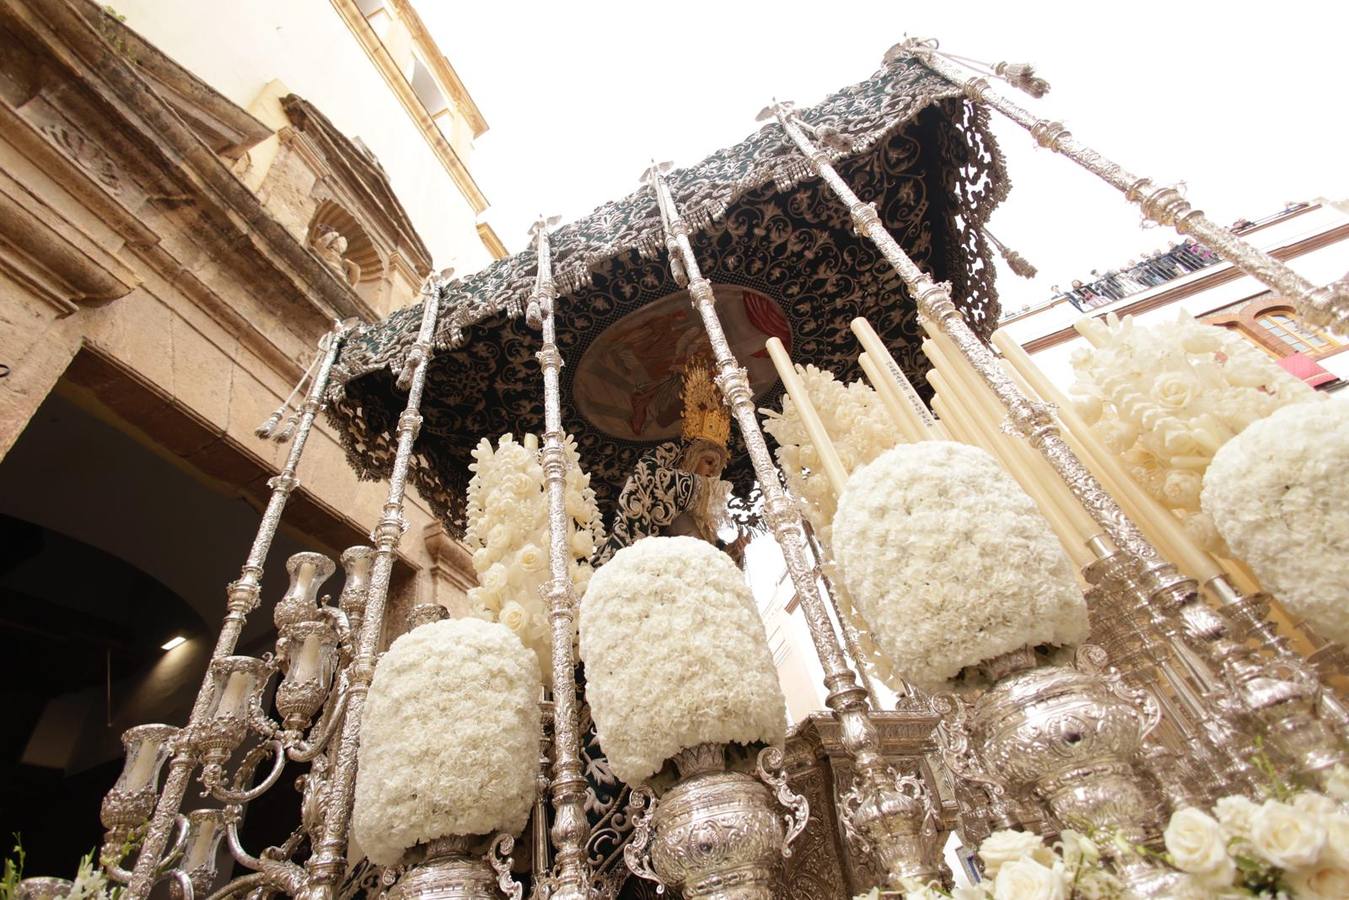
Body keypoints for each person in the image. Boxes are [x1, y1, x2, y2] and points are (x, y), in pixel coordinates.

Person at [593, 358, 737, 565]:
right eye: (708, 461)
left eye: (716, 468)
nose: (712, 472)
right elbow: (650, 478)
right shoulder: (668, 483)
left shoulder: (702, 519)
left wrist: (732, 552)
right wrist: (696, 486)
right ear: (692, 458)